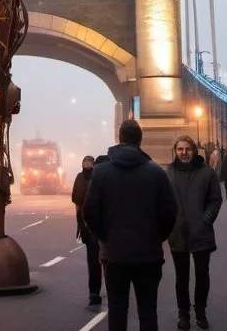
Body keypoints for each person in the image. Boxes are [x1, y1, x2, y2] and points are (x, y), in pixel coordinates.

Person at [83, 119, 177, 331]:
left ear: (119, 138)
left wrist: (104, 236)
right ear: (140, 140)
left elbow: (89, 212)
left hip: (114, 254)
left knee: (117, 310)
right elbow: (170, 212)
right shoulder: (157, 173)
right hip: (148, 254)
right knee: (148, 311)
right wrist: (157, 237)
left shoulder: (101, 172)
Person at [166, 136, 221, 330]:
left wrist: (205, 220)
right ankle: (184, 315)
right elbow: (163, 202)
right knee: (181, 278)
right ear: (176, 151)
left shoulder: (207, 173)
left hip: (201, 233)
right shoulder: (169, 173)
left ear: (194, 150)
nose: (184, 153)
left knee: (202, 276)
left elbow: (215, 200)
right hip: (177, 233)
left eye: (187, 149)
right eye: (180, 149)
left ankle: (200, 312)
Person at [71, 155, 102, 307]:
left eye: (90, 163)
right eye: (86, 163)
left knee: (99, 261)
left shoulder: (97, 178)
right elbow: (77, 203)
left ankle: (95, 292)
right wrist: (80, 225)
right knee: (94, 261)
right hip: (89, 226)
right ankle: (94, 292)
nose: (88, 165)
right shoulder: (81, 178)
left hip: (96, 225)